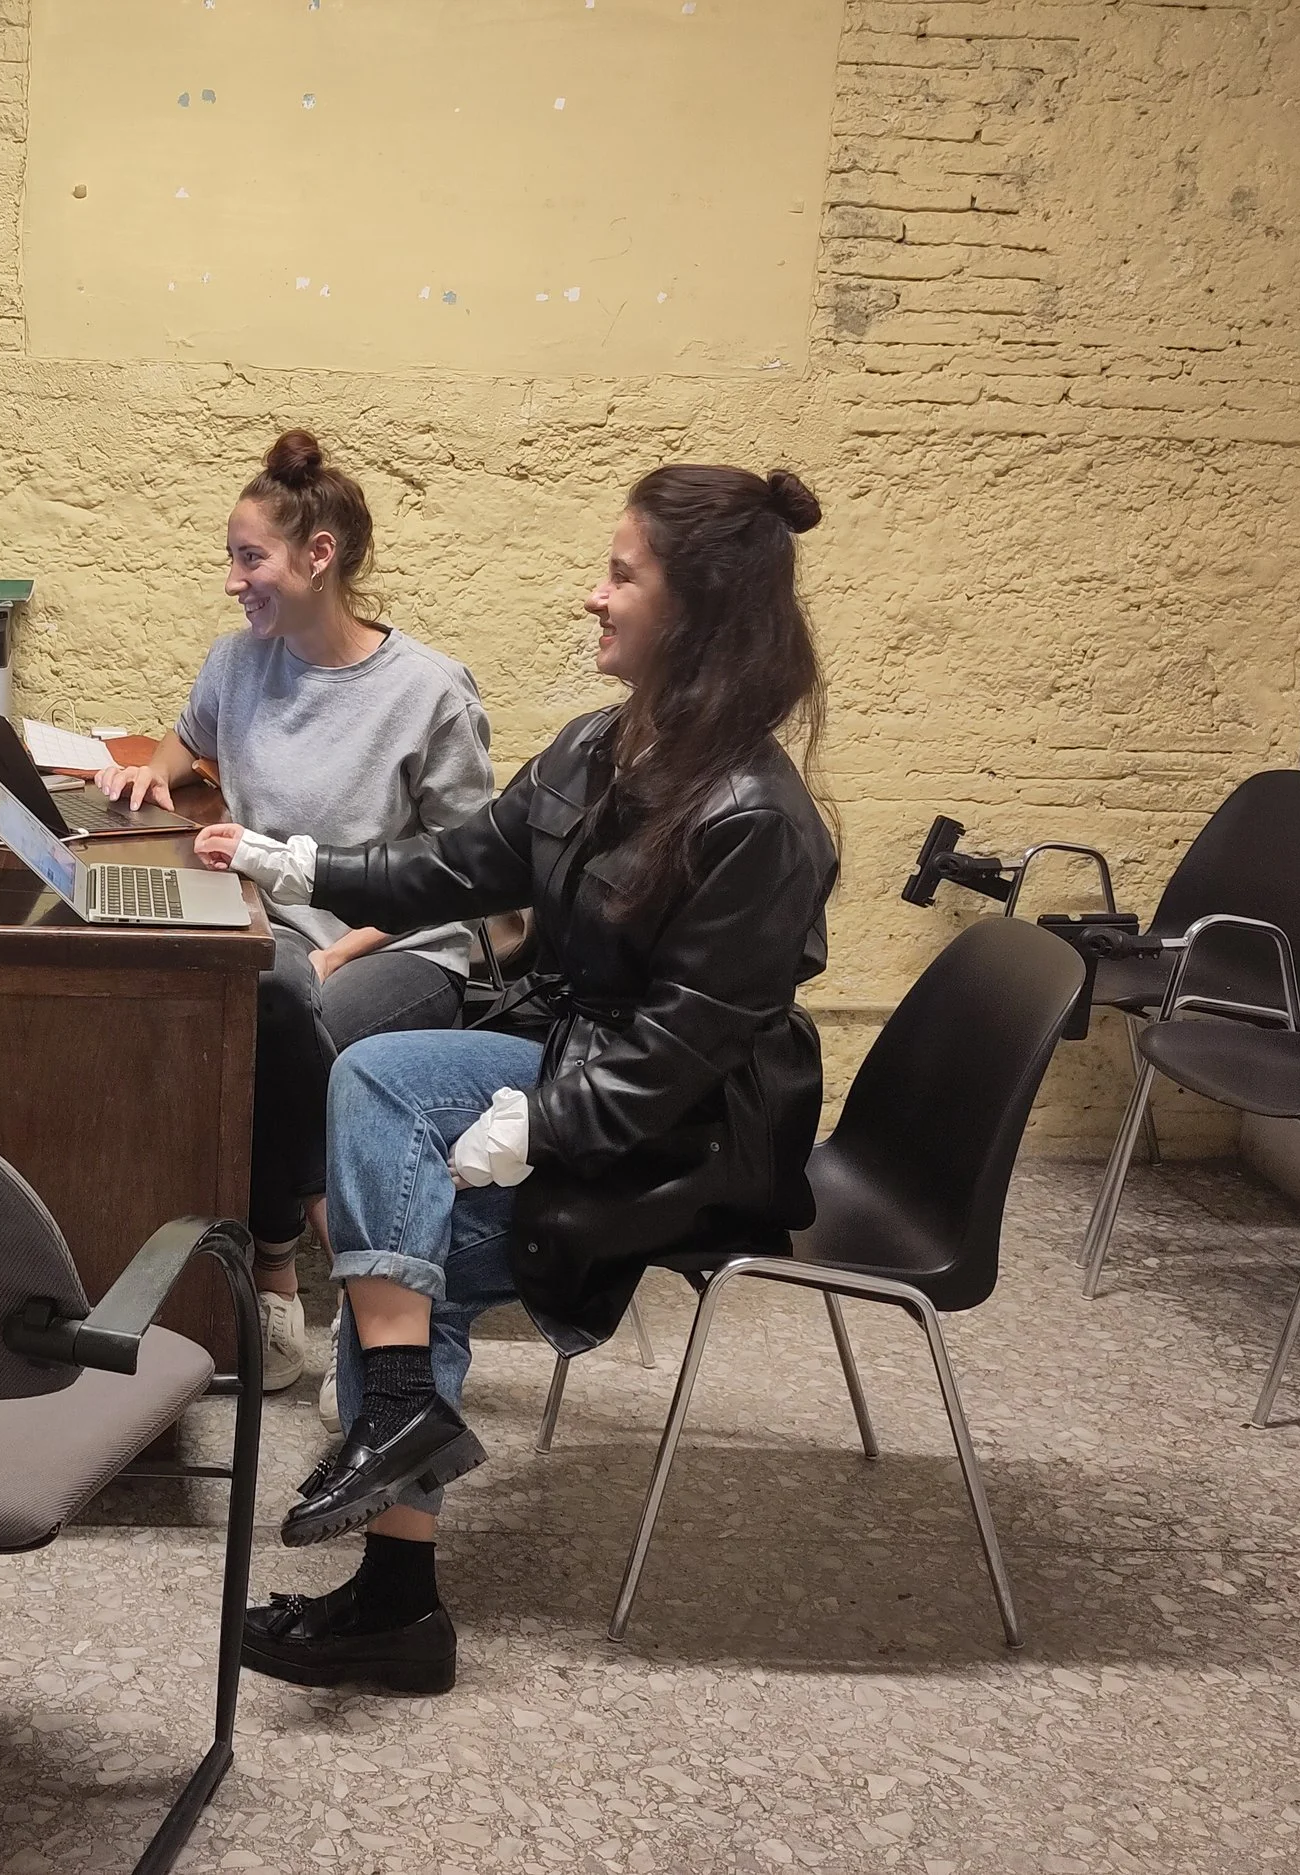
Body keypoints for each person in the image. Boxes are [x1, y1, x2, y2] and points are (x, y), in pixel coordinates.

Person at [207, 465, 838, 1694]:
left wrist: (534, 1128)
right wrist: (300, 865)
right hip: (585, 1063)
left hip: (692, 1141)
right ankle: (401, 1416)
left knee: (410, 1234)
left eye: (620, 575)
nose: (591, 596)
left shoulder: (756, 821)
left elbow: (677, 1059)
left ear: (696, 611)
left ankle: (397, 1600)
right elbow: (453, 869)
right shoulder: (606, 746)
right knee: (375, 1077)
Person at [98, 429, 493, 1392]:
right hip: (270, 940)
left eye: (251, 558)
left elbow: (468, 876)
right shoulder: (239, 663)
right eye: (231, 557)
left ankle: (275, 1270)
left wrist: (334, 956)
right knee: (258, 995)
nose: (234, 581)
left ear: (319, 556)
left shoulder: (429, 692)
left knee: (279, 1011)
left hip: (400, 945)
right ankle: (359, 1276)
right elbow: (184, 741)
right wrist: (149, 774)